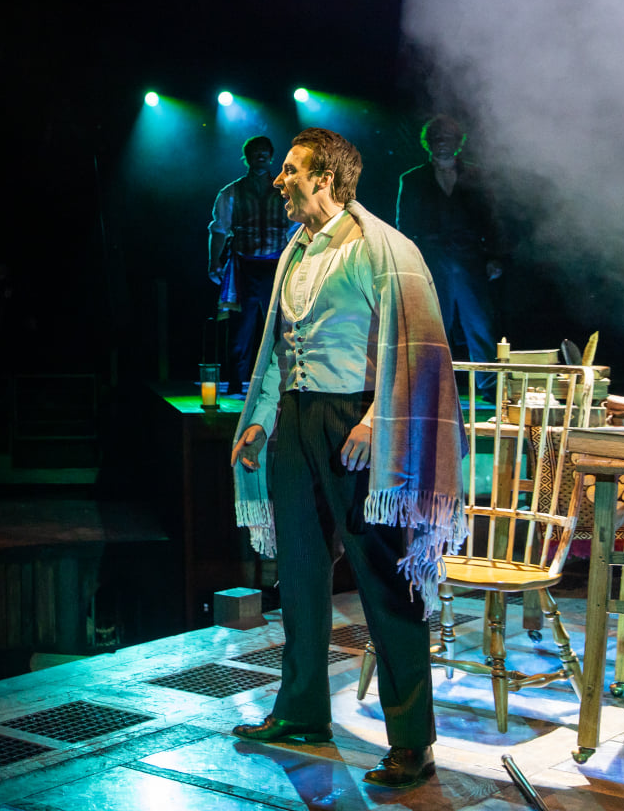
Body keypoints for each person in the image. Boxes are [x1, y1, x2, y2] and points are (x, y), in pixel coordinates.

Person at [227, 128, 466, 790]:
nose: (280, 181)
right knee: (300, 575)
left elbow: (417, 349)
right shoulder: (296, 249)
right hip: (299, 421)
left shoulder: (382, 248)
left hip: (358, 422)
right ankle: (302, 713)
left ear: (326, 179)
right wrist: (263, 419)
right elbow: (280, 346)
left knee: (385, 580)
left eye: (292, 171)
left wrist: (376, 422)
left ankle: (412, 742)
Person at [396, 115, 504, 375]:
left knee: (480, 325)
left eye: (447, 137)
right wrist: (408, 263)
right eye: (437, 138)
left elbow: (491, 218)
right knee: (433, 324)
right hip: (432, 260)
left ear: (458, 142)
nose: (442, 142)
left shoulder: (476, 176)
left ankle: (488, 386)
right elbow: (404, 226)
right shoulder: (412, 179)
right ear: (428, 143)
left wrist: (495, 256)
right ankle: (431, 384)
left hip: (470, 259)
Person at [208, 135, 289, 394]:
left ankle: (279, 382)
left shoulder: (286, 190)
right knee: (241, 328)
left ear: (272, 156)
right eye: (256, 152)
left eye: (265, 152)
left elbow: (299, 228)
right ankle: (236, 383)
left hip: (277, 266)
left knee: (280, 326)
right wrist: (214, 262)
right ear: (247, 157)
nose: (261, 156)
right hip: (244, 266)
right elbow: (219, 229)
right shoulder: (231, 192)